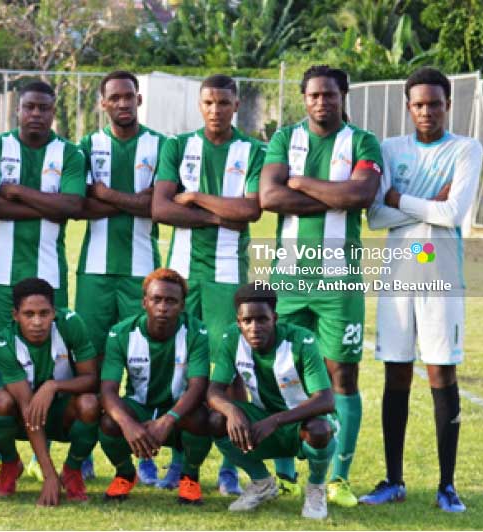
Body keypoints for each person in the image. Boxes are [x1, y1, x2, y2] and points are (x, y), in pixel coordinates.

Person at [259, 65, 383, 507]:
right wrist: (334, 192)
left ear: (342, 95)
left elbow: (361, 196)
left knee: (341, 375)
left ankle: (340, 478)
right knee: (283, 372)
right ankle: (288, 473)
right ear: (304, 98)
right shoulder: (283, 140)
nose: (321, 102)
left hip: (340, 280)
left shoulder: (363, 141)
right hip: (289, 278)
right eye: (313, 95)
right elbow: (269, 198)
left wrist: (300, 183)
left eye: (329, 95)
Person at [362, 67, 482, 513]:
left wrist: (402, 200)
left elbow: (452, 214)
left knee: (440, 373)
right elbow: (375, 216)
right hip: (396, 278)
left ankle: (446, 485)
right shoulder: (391, 148)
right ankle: (394, 479)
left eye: (434, 103)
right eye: (418, 104)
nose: (426, 111)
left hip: (442, 278)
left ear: (448, 104)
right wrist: (425, 204)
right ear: (408, 107)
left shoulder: (467, 148)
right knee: (396, 374)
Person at [152, 74, 265, 495]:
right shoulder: (178, 146)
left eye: (223, 102)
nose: (215, 109)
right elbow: (162, 209)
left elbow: (250, 210)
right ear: (200, 106)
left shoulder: (253, 150)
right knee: (180, 368)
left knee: (227, 374)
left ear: (236, 105)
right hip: (181, 276)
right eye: (209, 103)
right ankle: (180, 459)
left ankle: (230, 466)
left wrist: (195, 197)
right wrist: (221, 216)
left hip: (226, 279)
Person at [0, 80, 86, 480]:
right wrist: (46, 205)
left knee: (54, 355)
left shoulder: (69, 153)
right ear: (16, 110)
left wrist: (17, 191)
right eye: (29, 107)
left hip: (49, 274)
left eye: (44, 108)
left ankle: (43, 454)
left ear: (54, 111)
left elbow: (72, 206)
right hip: (1, 274)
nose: (36, 114)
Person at [76, 70, 166, 485]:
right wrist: (134, 201)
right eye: (115, 98)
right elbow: (79, 205)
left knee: (144, 368)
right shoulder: (87, 146)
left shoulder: (160, 145)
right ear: (103, 103)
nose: (123, 103)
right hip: (94, 272)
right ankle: (86, 451)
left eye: (130, 96)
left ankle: (145, 452)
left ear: (139, 100)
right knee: (91, 365)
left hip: (143, 273)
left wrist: (108, 194)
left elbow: (157, 206)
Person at [207, 283, 336, 519]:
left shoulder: (301, 340)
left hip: (301, 421)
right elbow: (213, 391)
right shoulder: (232, 339)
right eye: (247, 321)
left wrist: (275, 421)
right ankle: (262, 482)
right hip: (262, 419)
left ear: (274, 318)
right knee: (216, 419)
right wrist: (233, 412)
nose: (254, 327)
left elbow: (326, 400)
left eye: (262, 319)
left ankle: (316, 487)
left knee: (319, 429)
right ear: (238, 322)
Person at [98, 268, 214, 505]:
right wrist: (128, 424)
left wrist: (168, 419)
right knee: (109, 421)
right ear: (144, 302)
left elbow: (198, 386)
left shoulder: (196, 332)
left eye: (171, 301)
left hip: (178, 411)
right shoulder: (122, 333)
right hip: (139, 407)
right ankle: (125, 474)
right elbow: (108, 390)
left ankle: (190, 477)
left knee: (203, 418)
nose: (163, 307)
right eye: (156, 299)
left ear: (182, 305)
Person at [0, 278, 99, 506]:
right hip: (25, 415)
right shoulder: (4, 342)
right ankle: (10, 463)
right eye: (29, 314)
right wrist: (49, 475)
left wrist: (54, 385)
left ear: (54, 313)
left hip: (62, 411)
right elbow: (29, 409)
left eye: (44, 313)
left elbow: (91, 379)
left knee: (90, 404)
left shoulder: (71, 324)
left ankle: (73, 470)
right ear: (15, 315)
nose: (37, 322)